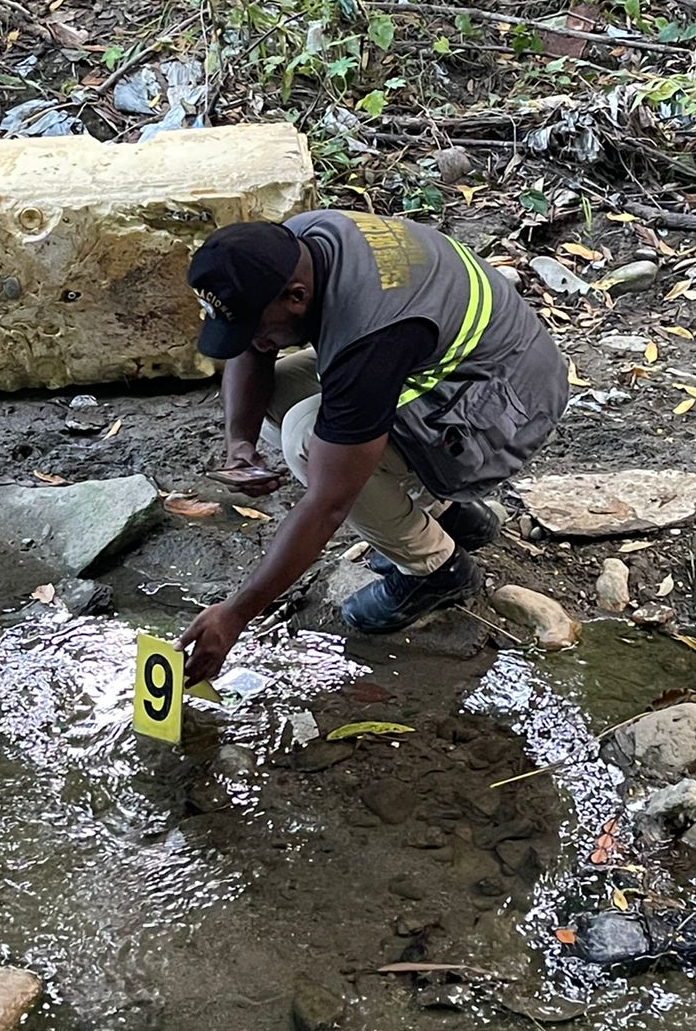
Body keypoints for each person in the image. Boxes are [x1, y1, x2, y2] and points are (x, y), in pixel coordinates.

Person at [179, 209, 568, 682]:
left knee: (307, 438)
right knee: (278, 396)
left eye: (258, 329)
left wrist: (236, 613)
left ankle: (438, 570)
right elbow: (250, 348)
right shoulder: (294, 245)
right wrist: (239, 443)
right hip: (460, 360)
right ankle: (450, 515)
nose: (255, 342)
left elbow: (328, 503)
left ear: (297, 297)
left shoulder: (370, 333)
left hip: (510, 400)